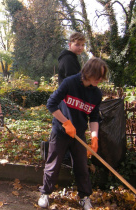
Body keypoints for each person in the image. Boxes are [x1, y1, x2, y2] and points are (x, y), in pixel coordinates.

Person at [38, 58, 108, 210]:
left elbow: (94, 117)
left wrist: (94, 136)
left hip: (79, 134)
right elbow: (51, 104)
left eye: (102, 76)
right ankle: (45, 193)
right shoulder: (70, 83)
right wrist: (65, 122)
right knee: (53, 164)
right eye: (98, 76)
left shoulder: (96, 94)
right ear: (89, 72)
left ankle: (84, 197)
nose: (100, 79)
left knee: (82, 167)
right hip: (61, 131)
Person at [58, 32, 86, 167]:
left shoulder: (72, 58)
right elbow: (72, 81)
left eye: (82, 45)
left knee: (71, 126)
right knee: (69, 126)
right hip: (68, 99)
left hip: (69, 98)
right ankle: (66, 157)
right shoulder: (68, 59)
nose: (80, 47)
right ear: (70, 44)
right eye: (77, 45)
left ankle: (67, 156)